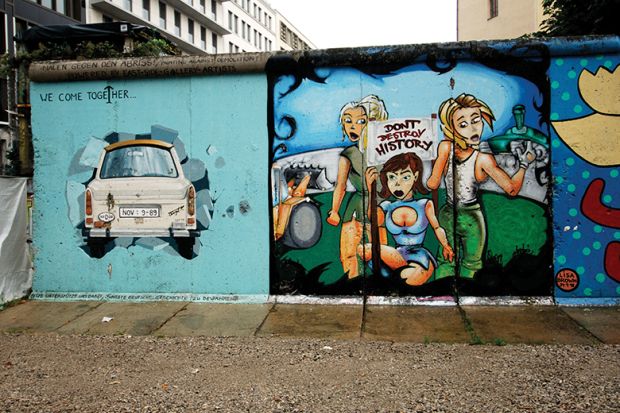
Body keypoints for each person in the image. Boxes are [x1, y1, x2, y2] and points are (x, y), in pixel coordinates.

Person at [426, 93, 535, 280]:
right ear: (451, 128)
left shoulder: (445, 147)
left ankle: (441, 292)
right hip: (471, 218)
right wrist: (524, 164)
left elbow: (432, 184)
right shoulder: (483, 159)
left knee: (445, 260)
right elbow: (512, 189)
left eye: (476, 120)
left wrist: (438, 164)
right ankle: (469, 292)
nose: (473, 128)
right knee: (472, 264)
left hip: (447, 213)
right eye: (463, 124)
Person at [359, 153, 454, 286]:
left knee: (408, 278)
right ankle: (392, 278)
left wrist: (445, 245)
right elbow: (374, 220)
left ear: (415, 176)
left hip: (419, 257)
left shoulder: (424, 204)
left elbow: (437, 227)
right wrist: (371, 191)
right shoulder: (387, 206)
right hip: (397, 256)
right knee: (365, 250)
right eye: (392, 177)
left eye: (405, 177)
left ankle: (392, 278)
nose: (398, 184)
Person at [327, 95, 388, 278]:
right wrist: (334, 210)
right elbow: (341, 185)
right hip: (355, 208)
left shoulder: (385, 151)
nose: (353, 127)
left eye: (360, 121)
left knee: (380, 253)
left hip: (378, 207)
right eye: (348, 121)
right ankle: (351, 283)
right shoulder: (349, 154)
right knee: (349, 254)